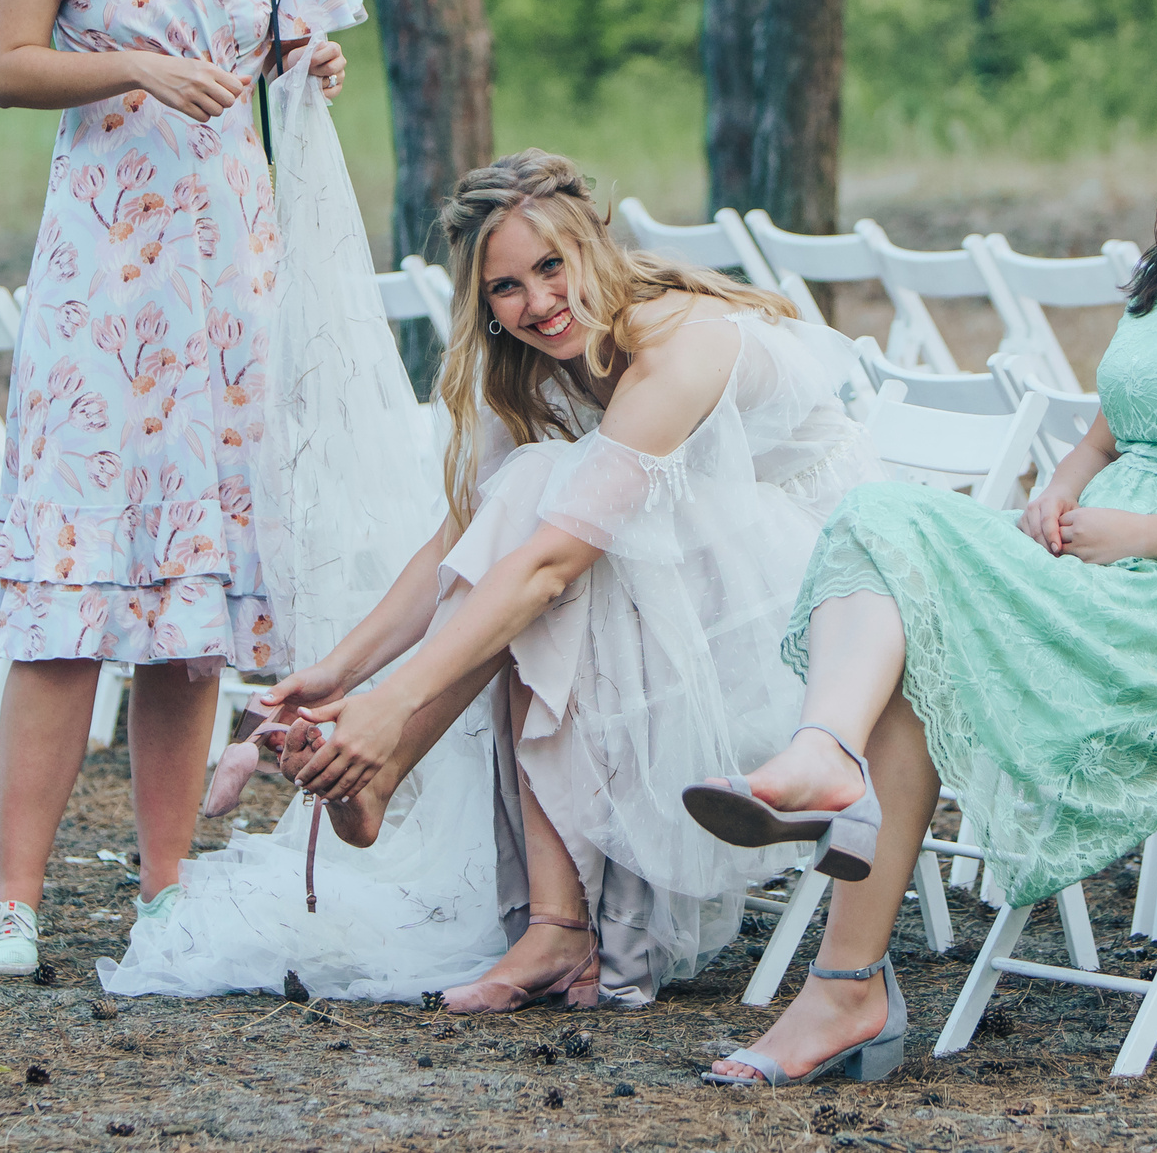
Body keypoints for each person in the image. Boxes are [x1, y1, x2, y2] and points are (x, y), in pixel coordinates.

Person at [684, 16, 1157, 1085]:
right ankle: (839, 934)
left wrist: (1143, 535)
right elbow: (1114, 428)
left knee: (892, 527)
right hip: (1103, 556)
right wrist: (1064, 486)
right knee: (891, 573)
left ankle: (829, 835)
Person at [240, 151, 881, 1010]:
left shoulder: (676, 348)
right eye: (506, 287)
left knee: (560, 547)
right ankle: (544, 913)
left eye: (552, 266)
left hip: (819, 603)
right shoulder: (533, 369)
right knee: (540, 501)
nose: (539, 302)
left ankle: (541, 905)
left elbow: (547, 567)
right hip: (687, 583)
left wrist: (391, 705)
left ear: (594, 245)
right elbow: (461, 542)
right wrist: (340, 672)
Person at [0, 0, 360, 978]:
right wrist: (133, 60)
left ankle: (166, 887)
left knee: (191, 605)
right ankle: (13, 900)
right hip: (106, 264)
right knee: (75, 585)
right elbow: (11, 69)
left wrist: (310, 62)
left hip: (231, 268)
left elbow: (290, 39)